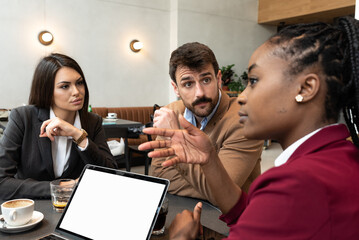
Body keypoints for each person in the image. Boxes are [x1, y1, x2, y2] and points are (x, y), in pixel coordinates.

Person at [139, 16, 359, 239]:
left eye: (253, 81)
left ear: (306, 88)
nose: (241, 97)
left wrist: (180, 238)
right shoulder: (336, 157)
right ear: (176, 88)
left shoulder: (295, 184)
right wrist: (210, 160)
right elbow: (250, 213)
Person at [150, 42, 263, 202]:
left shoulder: (243, 118)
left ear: (218, 79)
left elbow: (223, 193)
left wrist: (177, 142)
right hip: (183, 210)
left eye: (206, 80)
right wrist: (209, 185)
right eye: (188, 84)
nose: (200, 93)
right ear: (176, 88)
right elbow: (158, 175)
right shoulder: (172, 113)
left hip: (232, 221)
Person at [0, 53, 117, 200]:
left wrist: (78, 135)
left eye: (79, 83)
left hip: (74, 211)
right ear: (46, 91)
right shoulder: (23, 117)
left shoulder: (93, 122)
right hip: (31, 211)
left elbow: (110, 175)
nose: (76, 92)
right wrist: (62, 187)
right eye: (65, 86)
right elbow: (2, 182)